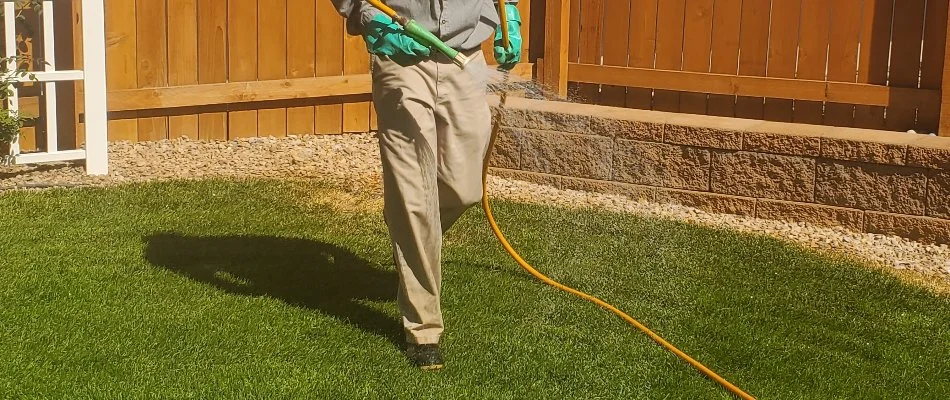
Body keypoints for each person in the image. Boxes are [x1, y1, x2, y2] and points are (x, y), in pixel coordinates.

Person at [329, 0, 522, 370]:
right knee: (415, 199)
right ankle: (423, 329)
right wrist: (368, 18)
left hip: (466, 56)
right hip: (402, 59)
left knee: (464, 189)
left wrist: (508, 14)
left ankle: (410, 237)